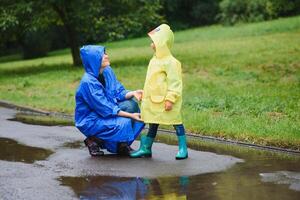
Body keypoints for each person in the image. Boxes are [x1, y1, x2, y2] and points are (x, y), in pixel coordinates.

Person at [130, 24, 188, 160]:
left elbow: (175, 83)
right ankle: (146, 148)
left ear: (161, 43)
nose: (151, 44)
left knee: (176, 122)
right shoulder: (154, 60)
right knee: (153, 123)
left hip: (167, 100)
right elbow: (151, 80)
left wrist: (171, 99)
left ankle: (183, 148)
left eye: (154, 42)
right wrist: (145, 94)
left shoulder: (172, 62)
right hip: (153, 100)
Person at [75, 45, 144, 156]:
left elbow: (118, 91)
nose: (107, 56)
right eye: (102, 55)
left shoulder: (107, 71)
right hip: (91, 119)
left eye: (106, 53)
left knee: (132, 105)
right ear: (94, 60)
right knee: (125, 122)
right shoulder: (88, 82)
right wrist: (131, 116)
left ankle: (121, 144)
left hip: (106, 111)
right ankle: (94, 139)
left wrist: (133, 93)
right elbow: (104, 107)